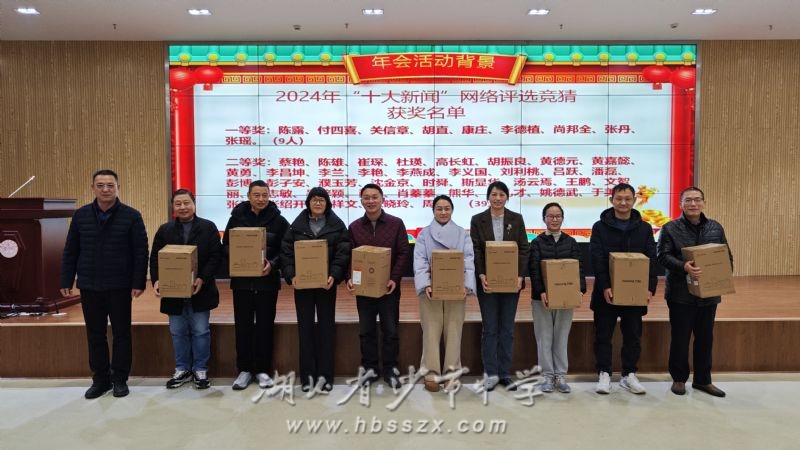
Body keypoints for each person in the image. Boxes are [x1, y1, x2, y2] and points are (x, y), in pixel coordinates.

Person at [60, 169, 149, 399]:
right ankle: (100, 379)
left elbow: (141, 252)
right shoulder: (81, 216)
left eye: (110, 185)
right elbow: (71, 250)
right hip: (89, 284)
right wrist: (66, 279)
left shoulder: (131, 215)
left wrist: (138, 281)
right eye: (100, 185)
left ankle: (119, 379)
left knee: (121, 333)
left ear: (118, 187)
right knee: (95, 334)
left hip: (120, 284)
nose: (105, 189)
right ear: (93, 188)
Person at [657, 186, 732, 397]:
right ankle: (679, 379)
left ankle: (703, 380)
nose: (693, 204)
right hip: (680, 293)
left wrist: (724, 274)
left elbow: (726, 255)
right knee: (680, 338)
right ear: (680, 204)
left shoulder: (715, 227)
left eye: (697, 200)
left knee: (705, 339)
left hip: (709, 294)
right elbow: (662, 256)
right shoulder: (670, 228)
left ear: (703, 203)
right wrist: (684, 266)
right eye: (688, 200)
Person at [150, 189, 221, 390]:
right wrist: (156, 280)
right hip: (173, 292)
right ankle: (182, 369)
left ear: (194, 204)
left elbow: (216, 256)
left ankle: (200, 369)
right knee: (177, 331)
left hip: (201, 289)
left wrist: (202, 278)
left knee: (201, 331)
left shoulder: (208, 227)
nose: (183, 207)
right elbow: (155, 257)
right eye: (178, 204)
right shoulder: (165, 230)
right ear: (173, 207)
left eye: (186, 203)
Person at [590, 182, 657, 395]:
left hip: (635, 292)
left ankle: (629, 374)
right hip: (606, 293)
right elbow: (597, 259)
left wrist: (650, 288)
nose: (623, 203)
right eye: (619, 199)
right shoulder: (599, 227)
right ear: (612, 200)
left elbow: (651, 259)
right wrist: (605, 286)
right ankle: (604, 373)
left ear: (634, 201)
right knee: (603, 335)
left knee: (633, 336)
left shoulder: (644, 228)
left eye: (628, 199)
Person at [222, 180, 289, 390]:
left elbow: (286, 250)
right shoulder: (236, 218)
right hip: (241, 283)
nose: (261, 199)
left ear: (269, 196)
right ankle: (244, 370)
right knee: (242, 327)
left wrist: (273, 264)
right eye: (257, 195)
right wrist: (237, 259)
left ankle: (262, 370)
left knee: (265, 327)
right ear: (249, 196)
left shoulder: (279, 221)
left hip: (267, 283)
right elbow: (226, 246)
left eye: (264, 195)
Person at [281, 187, 350, 392]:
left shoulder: (337, 225)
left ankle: (326, 376)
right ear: (308, 203)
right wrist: (291, 275)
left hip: (326, 285)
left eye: (322, 200)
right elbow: (286, 253)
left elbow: (343, 253)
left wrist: (334, 275)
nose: (318, 203)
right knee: (305, 329)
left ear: (327, 203)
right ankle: (308, 377)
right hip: (302, 286)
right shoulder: (296, 226)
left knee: (327, 329)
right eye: (314, 200)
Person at [346, 184, 411, 388]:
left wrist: (394, 278)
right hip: (364, 290)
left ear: (382, 199)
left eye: (375, 197)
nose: (371, 201)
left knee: (390, 331)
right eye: (366, 198)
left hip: (388, 289)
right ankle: (370, 369)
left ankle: (391, 370)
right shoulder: (354, 227)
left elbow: (403, 253)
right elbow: (349, 257)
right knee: (366, 331)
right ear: (361, 201)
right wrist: (349, 278)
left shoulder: (396, 223)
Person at [469, 181, 529, 391]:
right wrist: (481, 274)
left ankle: (504, 373)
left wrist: (520, 276)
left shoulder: (516, 219)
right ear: (488, 197)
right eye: (494, 194)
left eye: (501, 195)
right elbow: (476, 250)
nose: (497, 198)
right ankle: (490, 373)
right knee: (490, 329)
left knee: (507, 329)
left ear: (507, 197)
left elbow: (524, 248)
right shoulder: (478, 220)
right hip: (487, 283)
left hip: (512, 283)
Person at [413, 195, 475, 392]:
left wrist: (466, 285)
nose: (443, 212)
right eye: (439, 208)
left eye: (447, 208)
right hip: (431, 290)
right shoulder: (424, 234)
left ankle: (452, 372)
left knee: (454, 330)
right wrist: (426, 284)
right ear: (433, 211)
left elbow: (469, 260)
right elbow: (420, 261)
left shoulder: (462, 233)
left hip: (456, 290)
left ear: (452, 210)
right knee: (430, 331)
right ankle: (430, 373)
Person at [528, 202, 586, 394]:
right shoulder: (537, 243)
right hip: (542, 299)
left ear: (562, 218)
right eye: (550, 216)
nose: (554, 219)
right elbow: (534, 270)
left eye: (558, 216)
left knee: (561, 336)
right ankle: (547, 376)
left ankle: (560, 375)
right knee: (544, 337)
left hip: (565, 298)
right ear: (544, 219)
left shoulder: (571, 242)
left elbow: (579, 267)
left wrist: (580, 289)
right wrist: (541, 292)